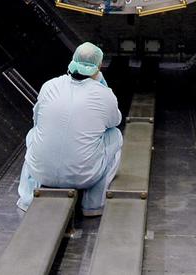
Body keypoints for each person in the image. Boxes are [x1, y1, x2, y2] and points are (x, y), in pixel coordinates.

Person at [17, 42, 123, 217]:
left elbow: (37, 119)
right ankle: (92, 205)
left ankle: (27, 199)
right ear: (99, 66)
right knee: (115, 135)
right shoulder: (104, 94)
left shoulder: (49, 85)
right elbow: (114, 121)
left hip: (42, 173)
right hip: (84, 176)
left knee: (33, 134)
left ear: (72, 61)